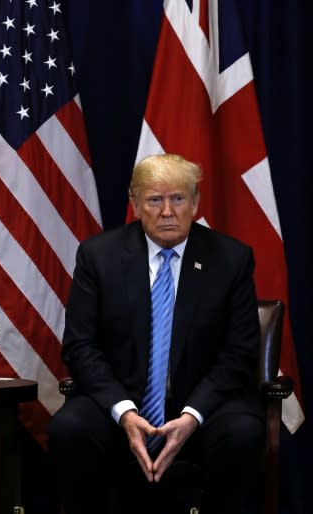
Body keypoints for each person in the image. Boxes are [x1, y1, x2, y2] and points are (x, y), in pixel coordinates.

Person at [48, 154, 264, 514]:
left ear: (194, 203)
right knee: (69, 429)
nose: (167, 211)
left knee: (243, 434)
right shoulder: (98, 256)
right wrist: (125, 412)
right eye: (154, 200)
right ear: (135, 205)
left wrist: (192, 415)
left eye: (178, 199)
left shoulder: (231, 259)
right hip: (121, 407)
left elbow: (239, 352)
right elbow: (80, 345)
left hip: (201, 407)